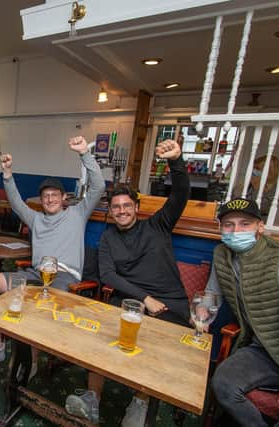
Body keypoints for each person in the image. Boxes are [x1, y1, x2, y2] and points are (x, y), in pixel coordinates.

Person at [73, 138, 190, 426]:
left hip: (170, 304)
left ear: (136, 207)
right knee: (98, 335)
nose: (122, 211)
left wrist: (176, 162)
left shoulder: (158, 225)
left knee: (156, 352)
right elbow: (108, 275)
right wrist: (143, 299)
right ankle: (93, 399)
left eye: (127, 205)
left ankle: (140, 402)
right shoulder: (108, 238)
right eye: (116, 207)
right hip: (130, 301)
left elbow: (181, 195)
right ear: (109, 211)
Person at [0, 136, 104, 366]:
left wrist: (84, 154)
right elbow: (15, 203)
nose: (50, 199)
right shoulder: (36, 219)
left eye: (55, 195)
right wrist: (7, 174)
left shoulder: (77, 213)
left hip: (64, 277)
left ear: (65, 198)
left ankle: (30, 361)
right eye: (46, 196)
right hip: (36, 274)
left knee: (40, 308)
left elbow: (99, 186)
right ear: (41, 200)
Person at [209, 198, 279, 427]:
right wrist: (200, 311)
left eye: (244, 224)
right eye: (229, 225)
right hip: (263, 350)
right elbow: (211, 296)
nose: (236, 231)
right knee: (222, 384)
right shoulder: (221, 254)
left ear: (260, 226)